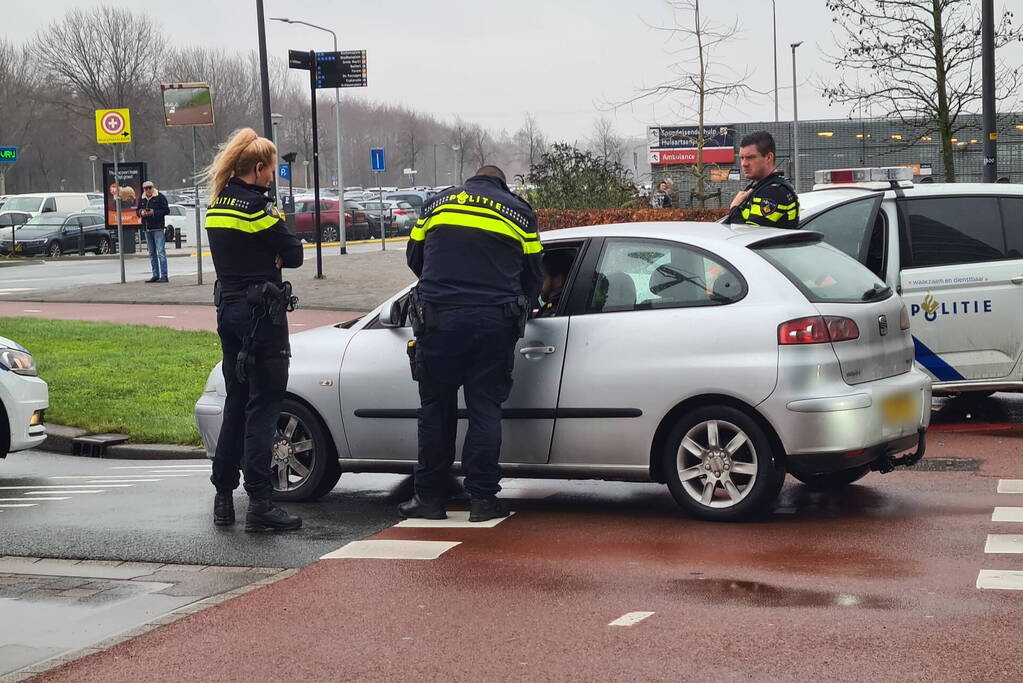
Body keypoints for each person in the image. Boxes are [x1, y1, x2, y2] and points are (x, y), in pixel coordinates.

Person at [401, 165, 542, 523]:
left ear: (471, 181)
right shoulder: (518, 211)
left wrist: (447, 285)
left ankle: (430, 499)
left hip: (438, 319)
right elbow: (533, 275)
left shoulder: (436, 204)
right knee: (484, 409)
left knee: (435, 409)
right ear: (502, 184)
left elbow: (414, 258)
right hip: (493, 323)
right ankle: (482, 500)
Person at [201, 127, 304, 533]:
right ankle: (260, 501)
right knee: (264, 406)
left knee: (236, 404)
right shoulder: (256, 210)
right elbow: (293, 254)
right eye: (272, 169)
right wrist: (275, 252)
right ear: (258, 169)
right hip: (263, 317)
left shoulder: (217, 206)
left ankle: (223, 496)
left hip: (229, 311)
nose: (274, 175)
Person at [725, 131, 799, 229]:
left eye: (750, 157)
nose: (744, 164)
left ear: (768, 157)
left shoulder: (774, 192)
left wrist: (734, 208)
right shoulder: (759, 186)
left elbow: (748, 236)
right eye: (742, 158)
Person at [137, 181, 170, 282]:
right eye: (145, 188)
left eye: (149, 188)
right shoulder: (141, 199)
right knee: (152, 253)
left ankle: (164, 276)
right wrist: (141, 212)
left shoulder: (160, 197)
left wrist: (153, 212)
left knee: (160, 252)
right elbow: (137, 210)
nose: (148, 190)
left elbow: (166, 210)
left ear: (153, 187)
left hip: (158, 228)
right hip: (147, 228)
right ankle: (155, 274)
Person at [536, 250, 573, 317]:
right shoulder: (568, 305)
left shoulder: (553, 312)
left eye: (543, 278)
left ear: (558, 280)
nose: (539, 284)